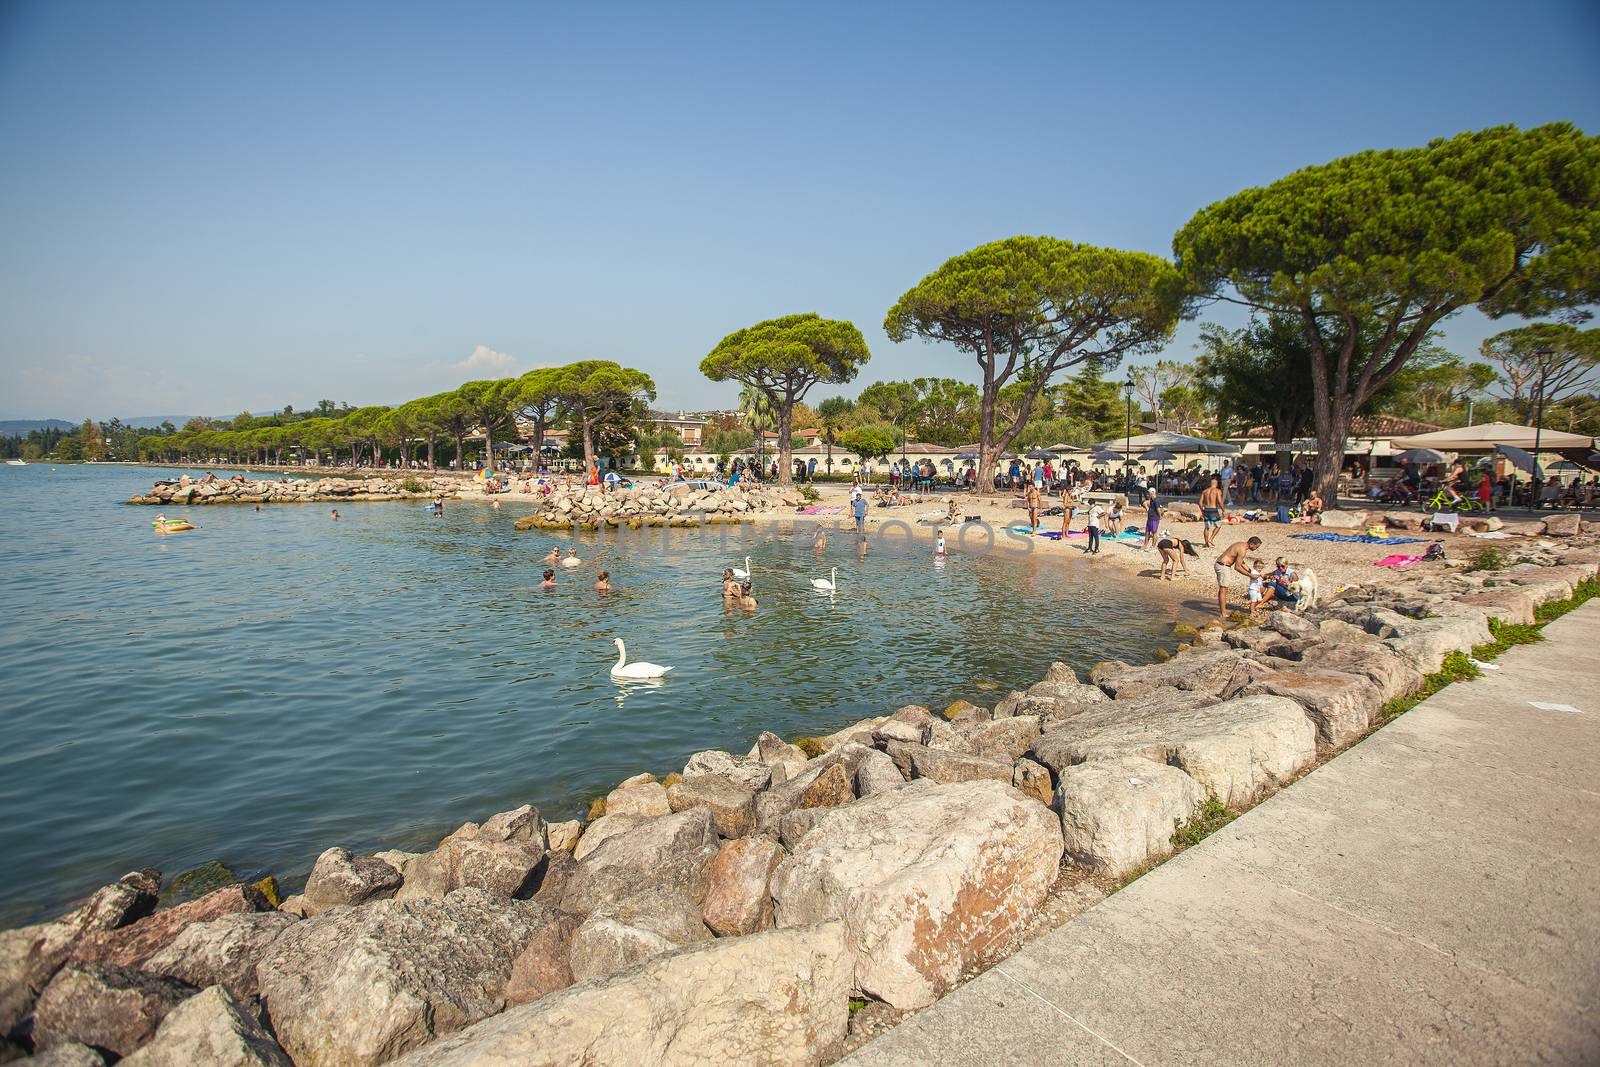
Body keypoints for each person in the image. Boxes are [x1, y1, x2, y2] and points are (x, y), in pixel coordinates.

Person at [1215, 536, 1264, 618]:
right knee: (1224, 589)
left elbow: (1241, 561)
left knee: (1222, 589)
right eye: (1256, 547)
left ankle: (1222, 611)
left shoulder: (1241, 544)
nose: (1256, 549)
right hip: (1223, 566)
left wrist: (1251, 571)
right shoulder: (1242, 550)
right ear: (1251, 544)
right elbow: (1237, 567)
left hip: (1220, 564)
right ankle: (1223, 613)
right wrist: (1250, 575)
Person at [1198, 477, 1224, 547]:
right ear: (1217, 483)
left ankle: (1206, 543)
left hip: (1206, 510)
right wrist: (1223, 510)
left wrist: (1202, 511)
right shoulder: (1217, 491)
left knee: (1207, 527)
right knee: (1218, 525)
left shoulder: (1205, 491)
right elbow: (1219, 501)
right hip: (1213, 510)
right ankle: (1211, 539)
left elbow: (1200, 503)